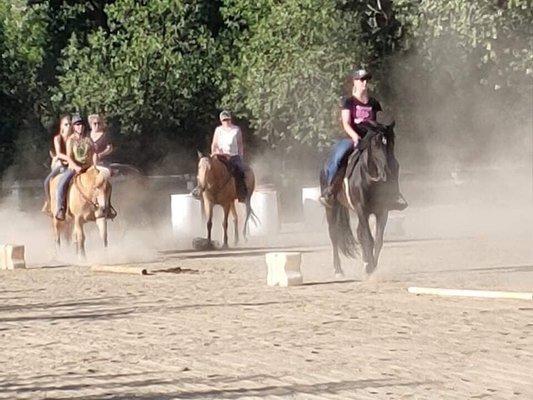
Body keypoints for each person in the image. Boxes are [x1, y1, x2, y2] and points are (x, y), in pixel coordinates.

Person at [319, 68, 407, 210]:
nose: (364, 83)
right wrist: (355, 137)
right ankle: (330, 191)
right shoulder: (348, 102)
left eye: (366, 80)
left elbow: (379, 121)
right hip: (351, 138)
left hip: (371, 139)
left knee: (392, 161)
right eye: (361, 80)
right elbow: (346, 123)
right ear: (355, 82)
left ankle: (395, 194)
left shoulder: (373, 103)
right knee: (339, 156)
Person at [55, 114, 94, 221]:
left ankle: (106, 207)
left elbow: (93, 153)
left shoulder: (88, 140)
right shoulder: (70, 140)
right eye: (77, 125)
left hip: (88, 167)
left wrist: (95, 164)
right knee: (61, 184)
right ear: (73, 127)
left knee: (103, 181)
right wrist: (75, 167)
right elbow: (69, 157)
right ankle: (61, 208)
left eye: (81, 124)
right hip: (75, 168)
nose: (80, 127)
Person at [42, 115, 72, 214]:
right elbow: (59, 153)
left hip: (73, 164)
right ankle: (49, 202)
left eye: (70, 124)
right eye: (66, 124)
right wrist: (66, 160)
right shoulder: (58, 138)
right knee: (47, 182)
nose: (69, 126)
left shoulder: (73, 138)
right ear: (61, 126)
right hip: (62, 164)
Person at [88, 113, 116, 219]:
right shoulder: (87, 135)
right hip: (90, 163)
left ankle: (107, 207)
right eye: (94, 123)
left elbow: (110, 148)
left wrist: (100, 155)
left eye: (99, 123)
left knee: (103, 181)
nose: (97, 125)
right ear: (91, 124)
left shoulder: (105, 135)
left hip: (103, 163)